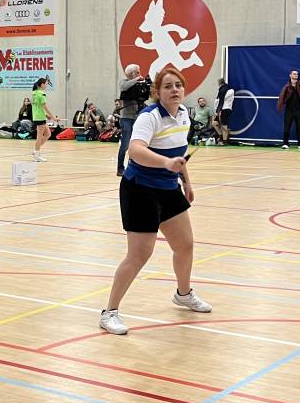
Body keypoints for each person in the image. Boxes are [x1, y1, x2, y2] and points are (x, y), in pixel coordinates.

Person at [100, 65, 212, 336]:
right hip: (139, 189)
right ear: (157, 92)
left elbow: (180, 152)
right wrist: (166, 163)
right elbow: (135, 151)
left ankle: (183, 294)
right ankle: (109, 312)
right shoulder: (148, 117)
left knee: (185, 245)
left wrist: (187, 182)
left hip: (168, 188)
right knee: (140, 254)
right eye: (168, 86)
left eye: (178, 86)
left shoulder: (184, 114)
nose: (174, 90)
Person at [117, 65, 147, 176]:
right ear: (131, 74)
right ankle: (120, 168)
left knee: (135, 145)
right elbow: (124, 87)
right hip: (127, 119)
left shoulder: (139, 85)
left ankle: (132, 167)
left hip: (137, 119)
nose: (139, 74)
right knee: (125, 145)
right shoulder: (124, 82)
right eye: (137, 72)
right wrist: (136, 80)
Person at [277, 70, 300, 149]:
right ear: (290, 75)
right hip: (289, 110)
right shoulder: (287, 87)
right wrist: (280, 106)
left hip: (299, 110)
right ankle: (285, 143)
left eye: (297, 74)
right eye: (294, 74)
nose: (296, 75)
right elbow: (281, 97)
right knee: (286, 127)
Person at [30, 77, 59, 162]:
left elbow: (39, 107)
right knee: (40, 136)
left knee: (48, 134)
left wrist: (46, 115)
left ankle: (36, 150)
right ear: (42, 84)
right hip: (39, 117)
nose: (46, 85)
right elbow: (45, 107)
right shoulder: (41, 94)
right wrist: (53, 117)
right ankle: (37, 154)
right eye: (46, 84)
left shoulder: (34, 93)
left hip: (39, 116)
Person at [214, 77, 235, 145]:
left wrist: (219, 111)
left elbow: (222, 99)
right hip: (218, 109)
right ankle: (221, 136)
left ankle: (225, 140)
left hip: (225, 109)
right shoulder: (220, 90)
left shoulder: (229, 90)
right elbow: (217, 101)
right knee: (214, 123)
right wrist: (216, 111)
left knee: (224, 124)